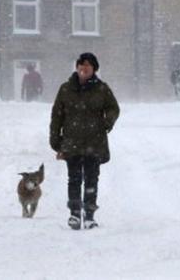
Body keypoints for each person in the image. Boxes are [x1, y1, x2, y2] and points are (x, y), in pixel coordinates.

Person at [49, 52, 120, 230]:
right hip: (71, 142)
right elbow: (57, 115)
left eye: (88, 65)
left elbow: (113, 108)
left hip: (94, 142)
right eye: (81, 64)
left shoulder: (102, 89)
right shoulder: (66, 89)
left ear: (94, 69)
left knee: (91, 179)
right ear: (77, 67)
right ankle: (74, 213)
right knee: (73, 179)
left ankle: (89, 214)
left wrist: (106, 123)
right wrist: (55, 139)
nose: (84, 68)